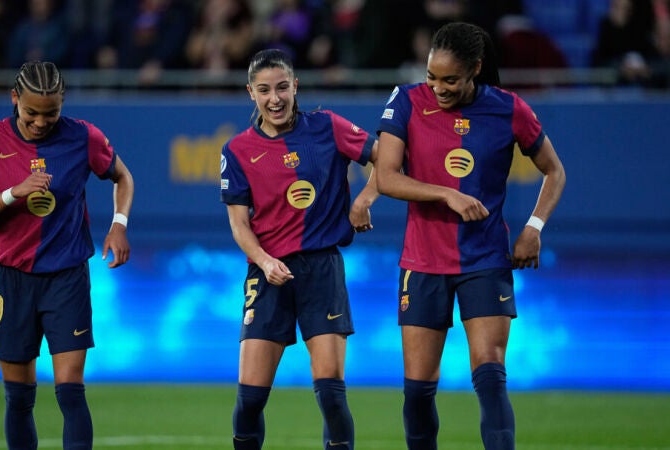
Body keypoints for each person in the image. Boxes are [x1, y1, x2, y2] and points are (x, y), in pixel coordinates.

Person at [375, 22, 565, 450]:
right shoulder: (406, 101)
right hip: (423, 262)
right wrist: (447, 194)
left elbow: (554, 171)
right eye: (432, 77)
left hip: (485, 259)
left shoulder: (509, 109)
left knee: (490, 374)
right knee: (418, 391)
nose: (438, 88)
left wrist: (534, 227)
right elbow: (386, 177)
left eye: (450, 80)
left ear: (475, 69)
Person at [0, 61, 134, 450]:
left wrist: (119, 224)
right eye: (31, 113)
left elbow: (123, 176)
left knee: (70, 392)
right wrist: (13, 194)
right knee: (19, 398)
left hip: (67, 277)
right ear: (14, 99)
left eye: (50, 113)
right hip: (12, 278)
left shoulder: (82, 137)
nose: (40, 122)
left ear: (62, 104)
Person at [219, 48, 378, 450]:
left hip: (322, 270)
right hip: (267, 275)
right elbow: (239, 225)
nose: (274, 99)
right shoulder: (237, 150)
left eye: (282, 87)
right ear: (251, 93)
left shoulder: (327, 127)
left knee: (331, 395)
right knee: (249, 401)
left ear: (295, 86)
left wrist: (364, 200)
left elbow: (386, 157)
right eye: (264, 90)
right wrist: (264, 261)